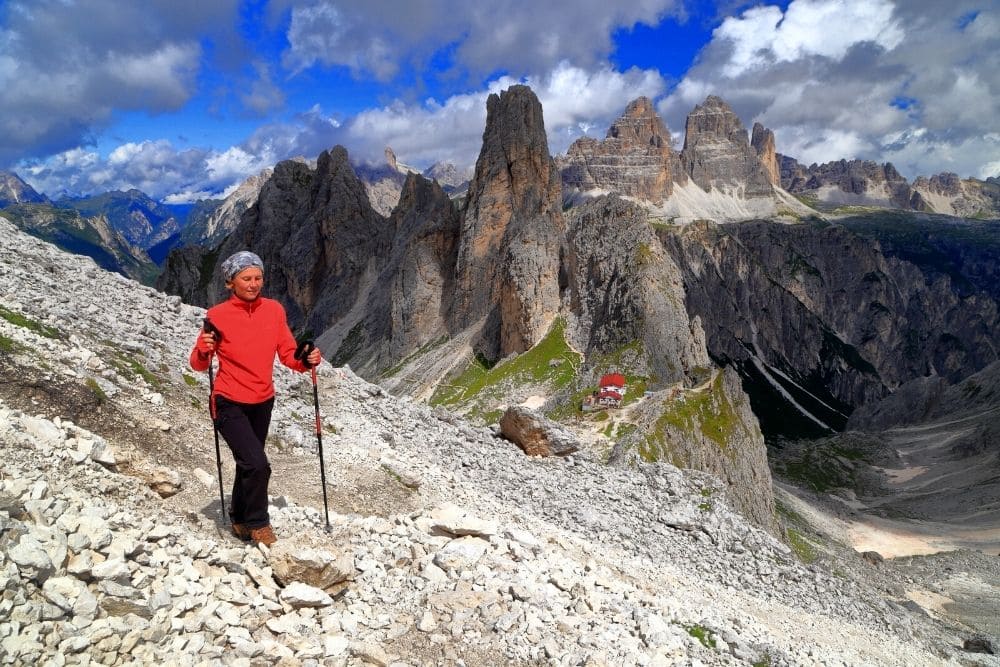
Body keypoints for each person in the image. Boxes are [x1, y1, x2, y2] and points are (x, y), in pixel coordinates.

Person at [189, 250, 321, 546]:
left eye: (258, 277)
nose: (253, 284)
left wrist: (306, 360)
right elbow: (199, 364)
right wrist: (202, 348)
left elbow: (287, 353)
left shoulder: (274, 310)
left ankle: (238, 516)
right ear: (230, 282)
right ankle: (259, 523)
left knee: (248, 462)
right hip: (228, 400)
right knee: (258, 463)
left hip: (262, 400)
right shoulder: (217, 316)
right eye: (246, 278)